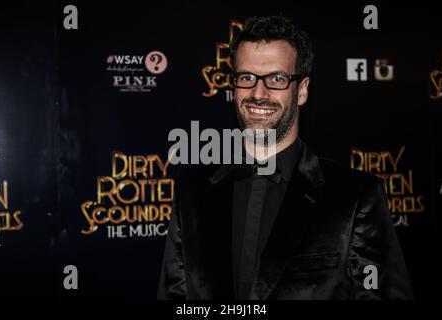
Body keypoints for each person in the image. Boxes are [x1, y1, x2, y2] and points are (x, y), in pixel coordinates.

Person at [158, 15, 413, 300]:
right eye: (246, 77)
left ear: (301, 90)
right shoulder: (192, 192)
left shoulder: (354, 197)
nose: (258, 93)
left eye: (276, 79)